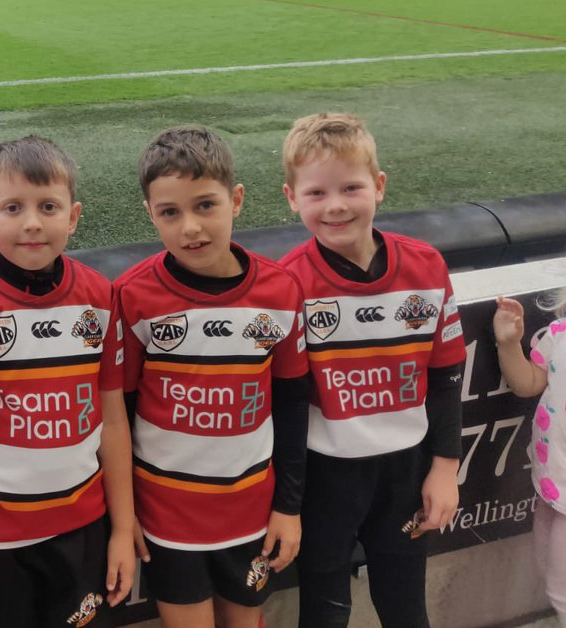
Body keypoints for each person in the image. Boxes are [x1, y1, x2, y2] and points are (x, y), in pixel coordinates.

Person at [116, 126, 309, 628]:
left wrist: (288, 507)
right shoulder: (133, 297)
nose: (190, 228)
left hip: (252, 513)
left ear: (236, 199)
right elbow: (121, 410)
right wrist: (127, 514)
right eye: (170, 213)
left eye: (205, 205)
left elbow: (291, 406)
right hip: (167, 517)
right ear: (150, 215)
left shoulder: (280, 292)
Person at [0, 137, 136, 628]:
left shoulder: (99, 296)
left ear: (73, 216)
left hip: (84, 529)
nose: (32, 222)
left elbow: (112, 421)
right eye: (13, 208)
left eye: (48, 207)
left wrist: (122, 527)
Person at [279, 112, 465, 628]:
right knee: (324, 611)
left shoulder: (426, 266)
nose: (335, 205)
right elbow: (289, 402)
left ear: (378, 187)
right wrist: (288, 500)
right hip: (325, 479)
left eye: (351, 187)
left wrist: (445, 469)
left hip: (406, 473)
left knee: (406, 607)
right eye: (316, 193)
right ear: (292, 198)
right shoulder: (289, 284)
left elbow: (447, 374)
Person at [493, 292, 566, 627]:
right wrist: (509, 344)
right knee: (551, 578)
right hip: (554, 491)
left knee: (561, 592)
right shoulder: (560, 335)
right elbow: (528, 383)